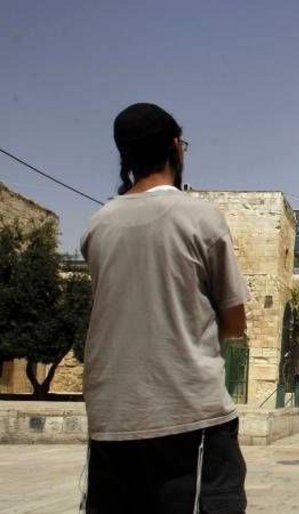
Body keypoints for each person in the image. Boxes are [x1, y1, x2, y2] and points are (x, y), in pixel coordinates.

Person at [80, 103, 249, 513]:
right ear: (177, 148)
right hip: (191, 419)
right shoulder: (200, 217)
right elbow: (235, 321)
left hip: (111, 423)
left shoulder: (96, 226)